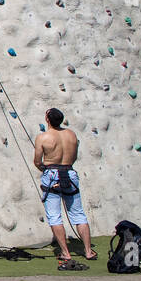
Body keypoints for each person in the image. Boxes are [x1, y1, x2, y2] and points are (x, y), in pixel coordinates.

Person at [34, 107, 96, 268]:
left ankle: (65, 252)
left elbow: (37, 161)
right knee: (78, 214)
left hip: (51, 173)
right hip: (69, 172)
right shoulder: (71, 135)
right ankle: (88, 251)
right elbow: (74, 156)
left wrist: (46, 170)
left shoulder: (43, 137)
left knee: (54, 216)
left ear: (47, 119)